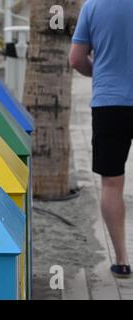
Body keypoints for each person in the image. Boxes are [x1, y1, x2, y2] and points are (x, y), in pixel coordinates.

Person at [69, 0, 133, 278]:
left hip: (109, 104)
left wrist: (103, 70)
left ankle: (121, 259)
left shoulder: (93, 6)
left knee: (111, 182)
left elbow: (76, 59)